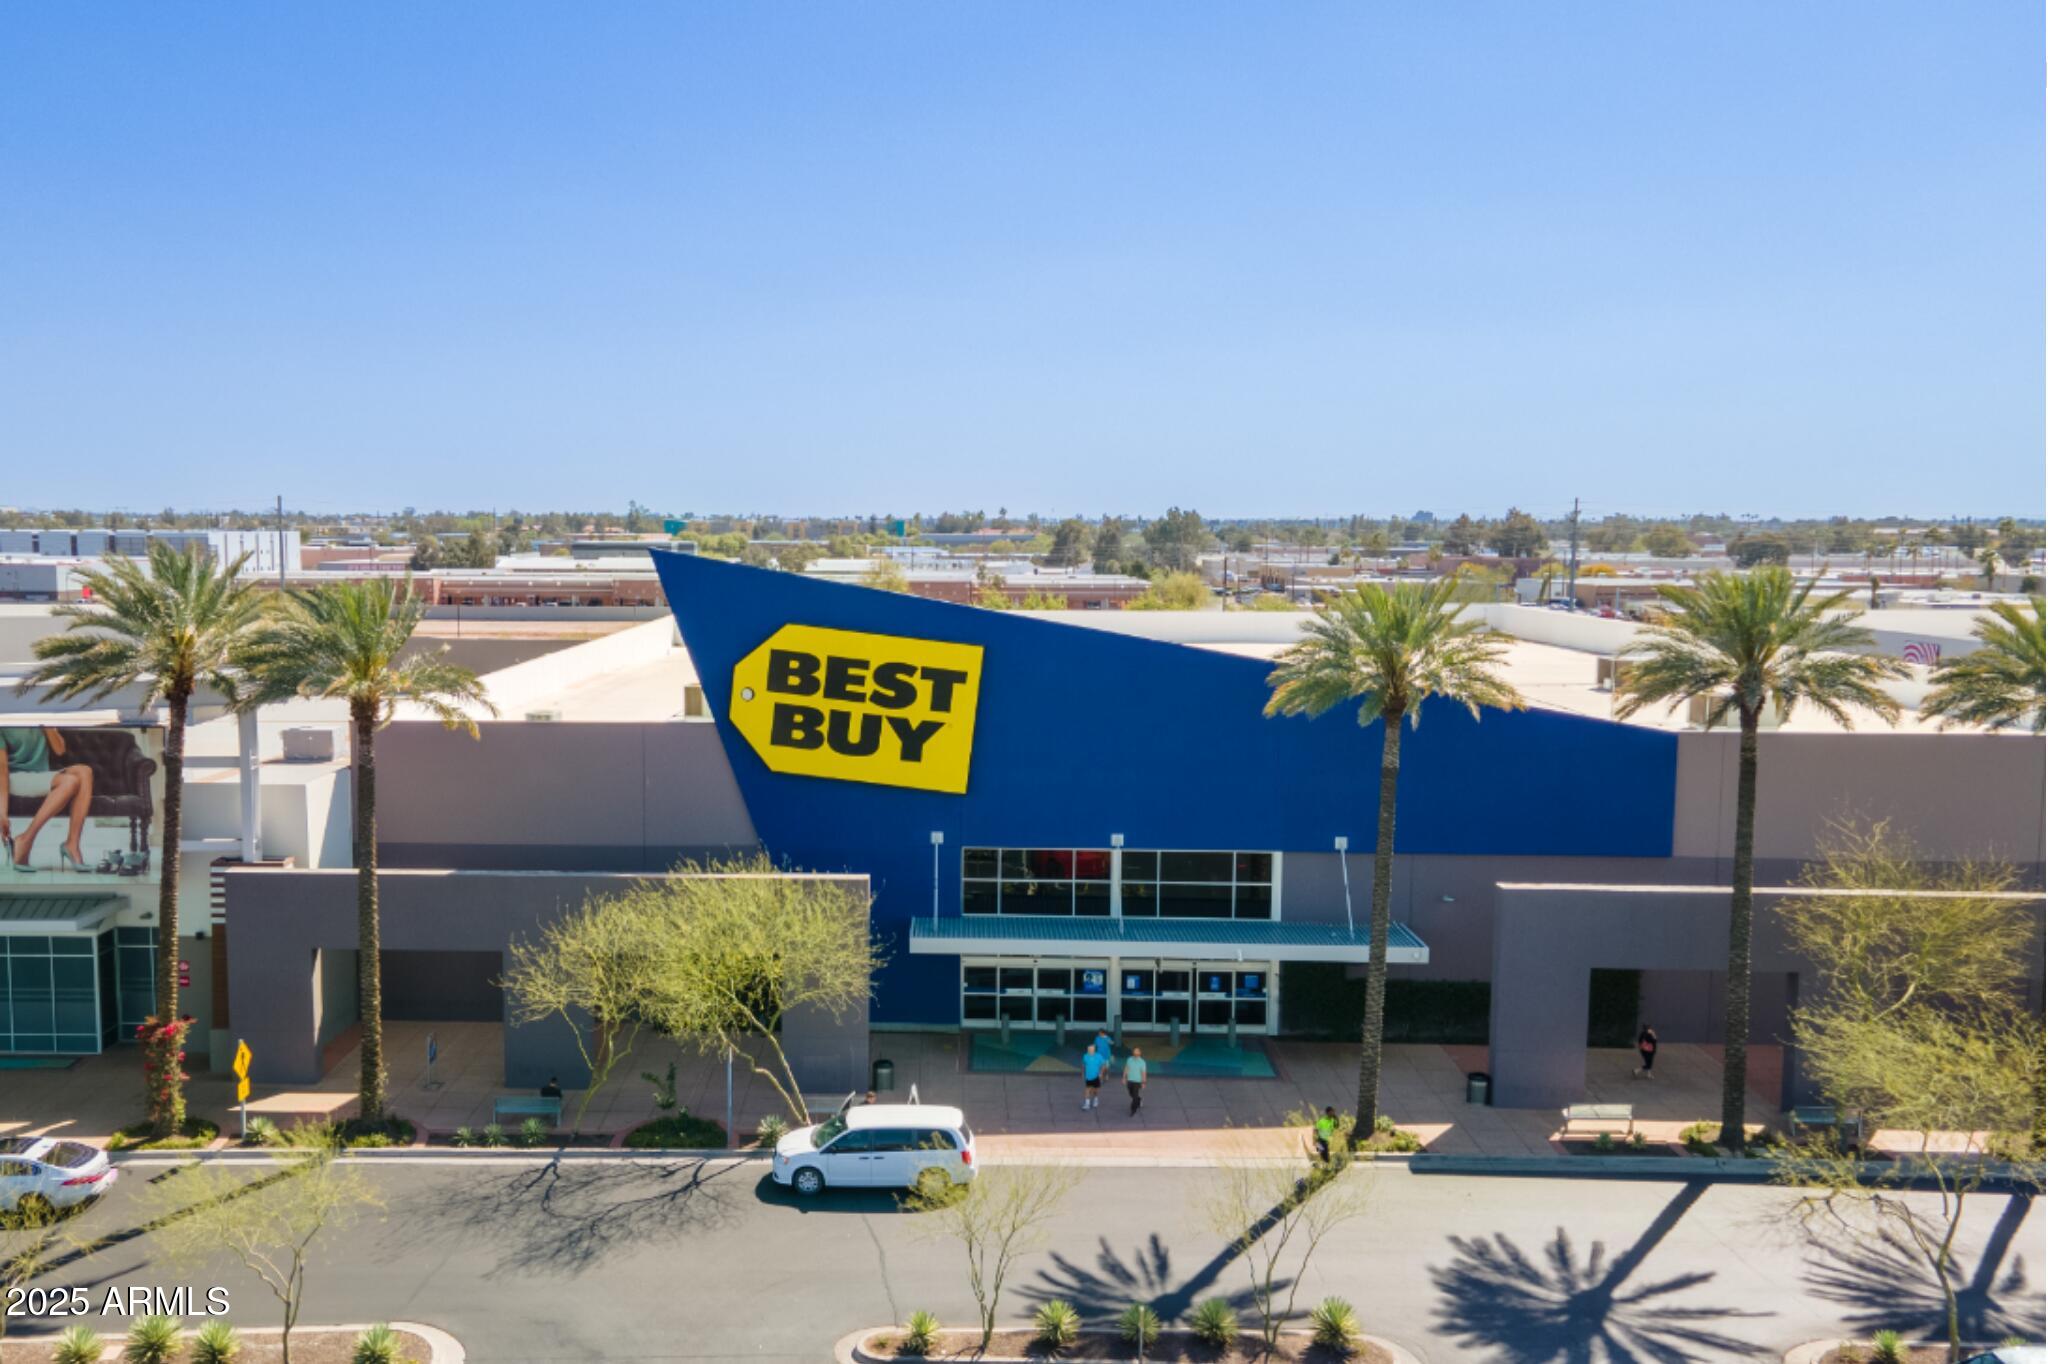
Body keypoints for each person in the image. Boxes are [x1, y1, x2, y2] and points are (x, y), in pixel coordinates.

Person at [0, 726, 93, 874]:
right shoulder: (4, 721)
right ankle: (26, 839)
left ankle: (72, 845)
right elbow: (2, 770)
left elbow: (60, 750)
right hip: (16, 777)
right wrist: (2, 812)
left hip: (40, 775)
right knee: (70, 781)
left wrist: (47, 723)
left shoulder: (40, 717)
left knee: (84, 771)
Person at [1123, 1046, 1148, 1116]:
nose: (1136, 1053)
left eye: (1137, 1051)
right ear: (1133, 1052)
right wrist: (1124, 1077)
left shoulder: (1142, 1062)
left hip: (1137, 1081)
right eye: (1135, 1051)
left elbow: (1143, 1073)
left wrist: (1144, 1082)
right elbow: (1126, 1068)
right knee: (1131, 1094)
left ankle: (1133, 1109)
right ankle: (1139, 1099)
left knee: (1134, 1095)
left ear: (1140, 1053)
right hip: (1130, 1079)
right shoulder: (1129, 1059)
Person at [1081, 1042, 1104, 1110]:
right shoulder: (1085, 1056)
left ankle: (1096, 1099)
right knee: (1087, 1090)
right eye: (1089, 1049)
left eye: (1091, 1049)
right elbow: (1083, 1065)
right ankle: (1087, 1104)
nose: (1090, 1051)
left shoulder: (1099, 1056)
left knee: (1095, 1091)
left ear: (1094, 1050)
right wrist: (1082, 1073)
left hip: (1096, 1076)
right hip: (1088, 1077)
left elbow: (1103, 1065)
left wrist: (1101, 1073)